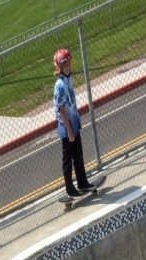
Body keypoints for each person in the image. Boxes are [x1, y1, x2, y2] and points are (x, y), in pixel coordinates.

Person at [53, 47, 95, 198]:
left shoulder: (68, 79)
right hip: (66, 127)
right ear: (58, 67)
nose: (67, 67)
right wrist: (69, 130)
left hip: (74, 122)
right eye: (64, 65)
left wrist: (76, 121)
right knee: (68, 158)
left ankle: (82, 182)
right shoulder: (59, 85)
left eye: (68, 63)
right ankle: (70, 189)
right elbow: (62, 109)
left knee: (78, 155)